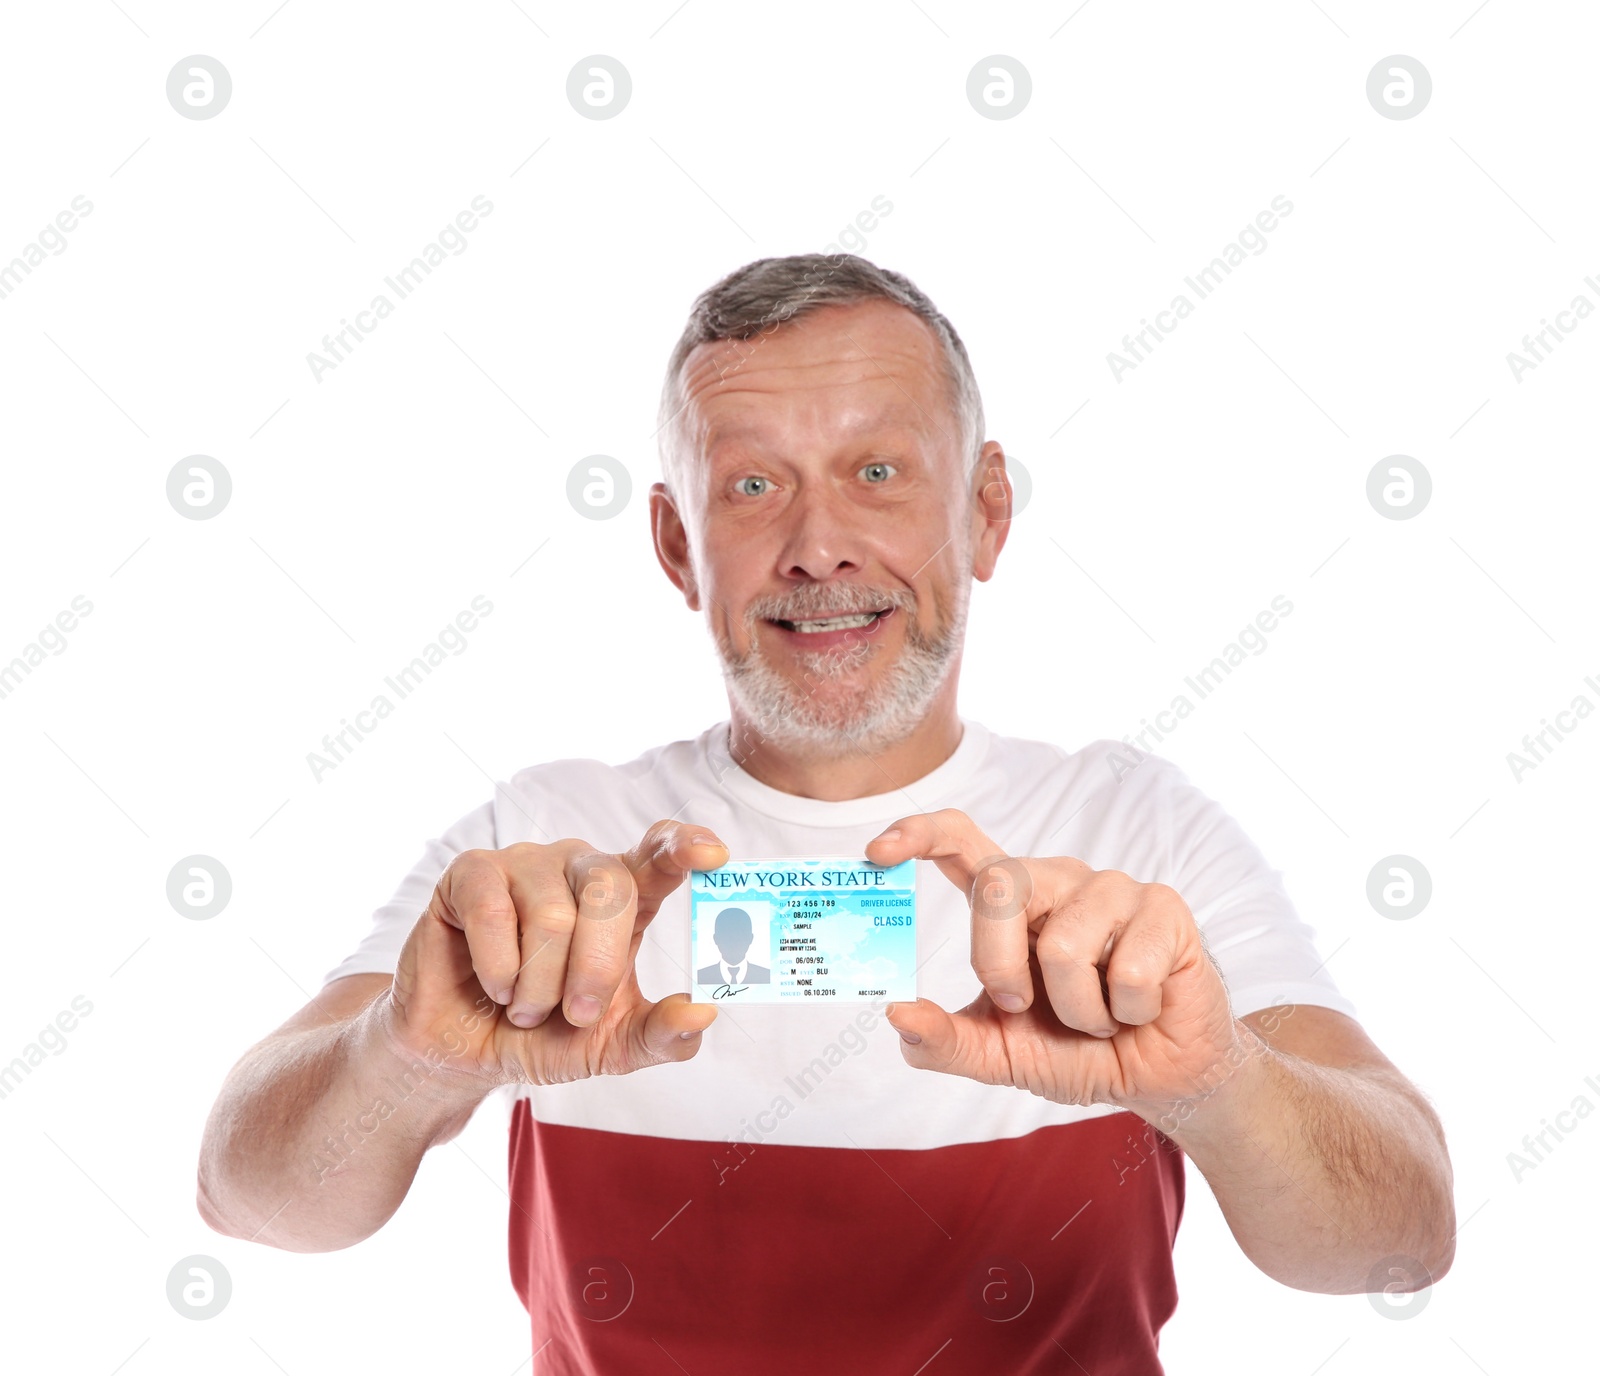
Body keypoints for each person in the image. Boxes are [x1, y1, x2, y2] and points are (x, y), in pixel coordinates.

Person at [197, 254, 1455, 1374]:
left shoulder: (1137, 832)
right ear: (677, 547)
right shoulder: (549, 841)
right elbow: (249, 1198)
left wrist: (1212, 1081)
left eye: (876, 470)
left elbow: (1401, 1242)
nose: (818, 546)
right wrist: (410, 1061)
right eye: (750, 486)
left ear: (985, 511)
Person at [694, 906, 771, 986]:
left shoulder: (766, 976)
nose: (734, 942)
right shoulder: (701, 976)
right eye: (727, 935)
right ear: (715, 939)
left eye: (740, 935)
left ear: (750, 938)